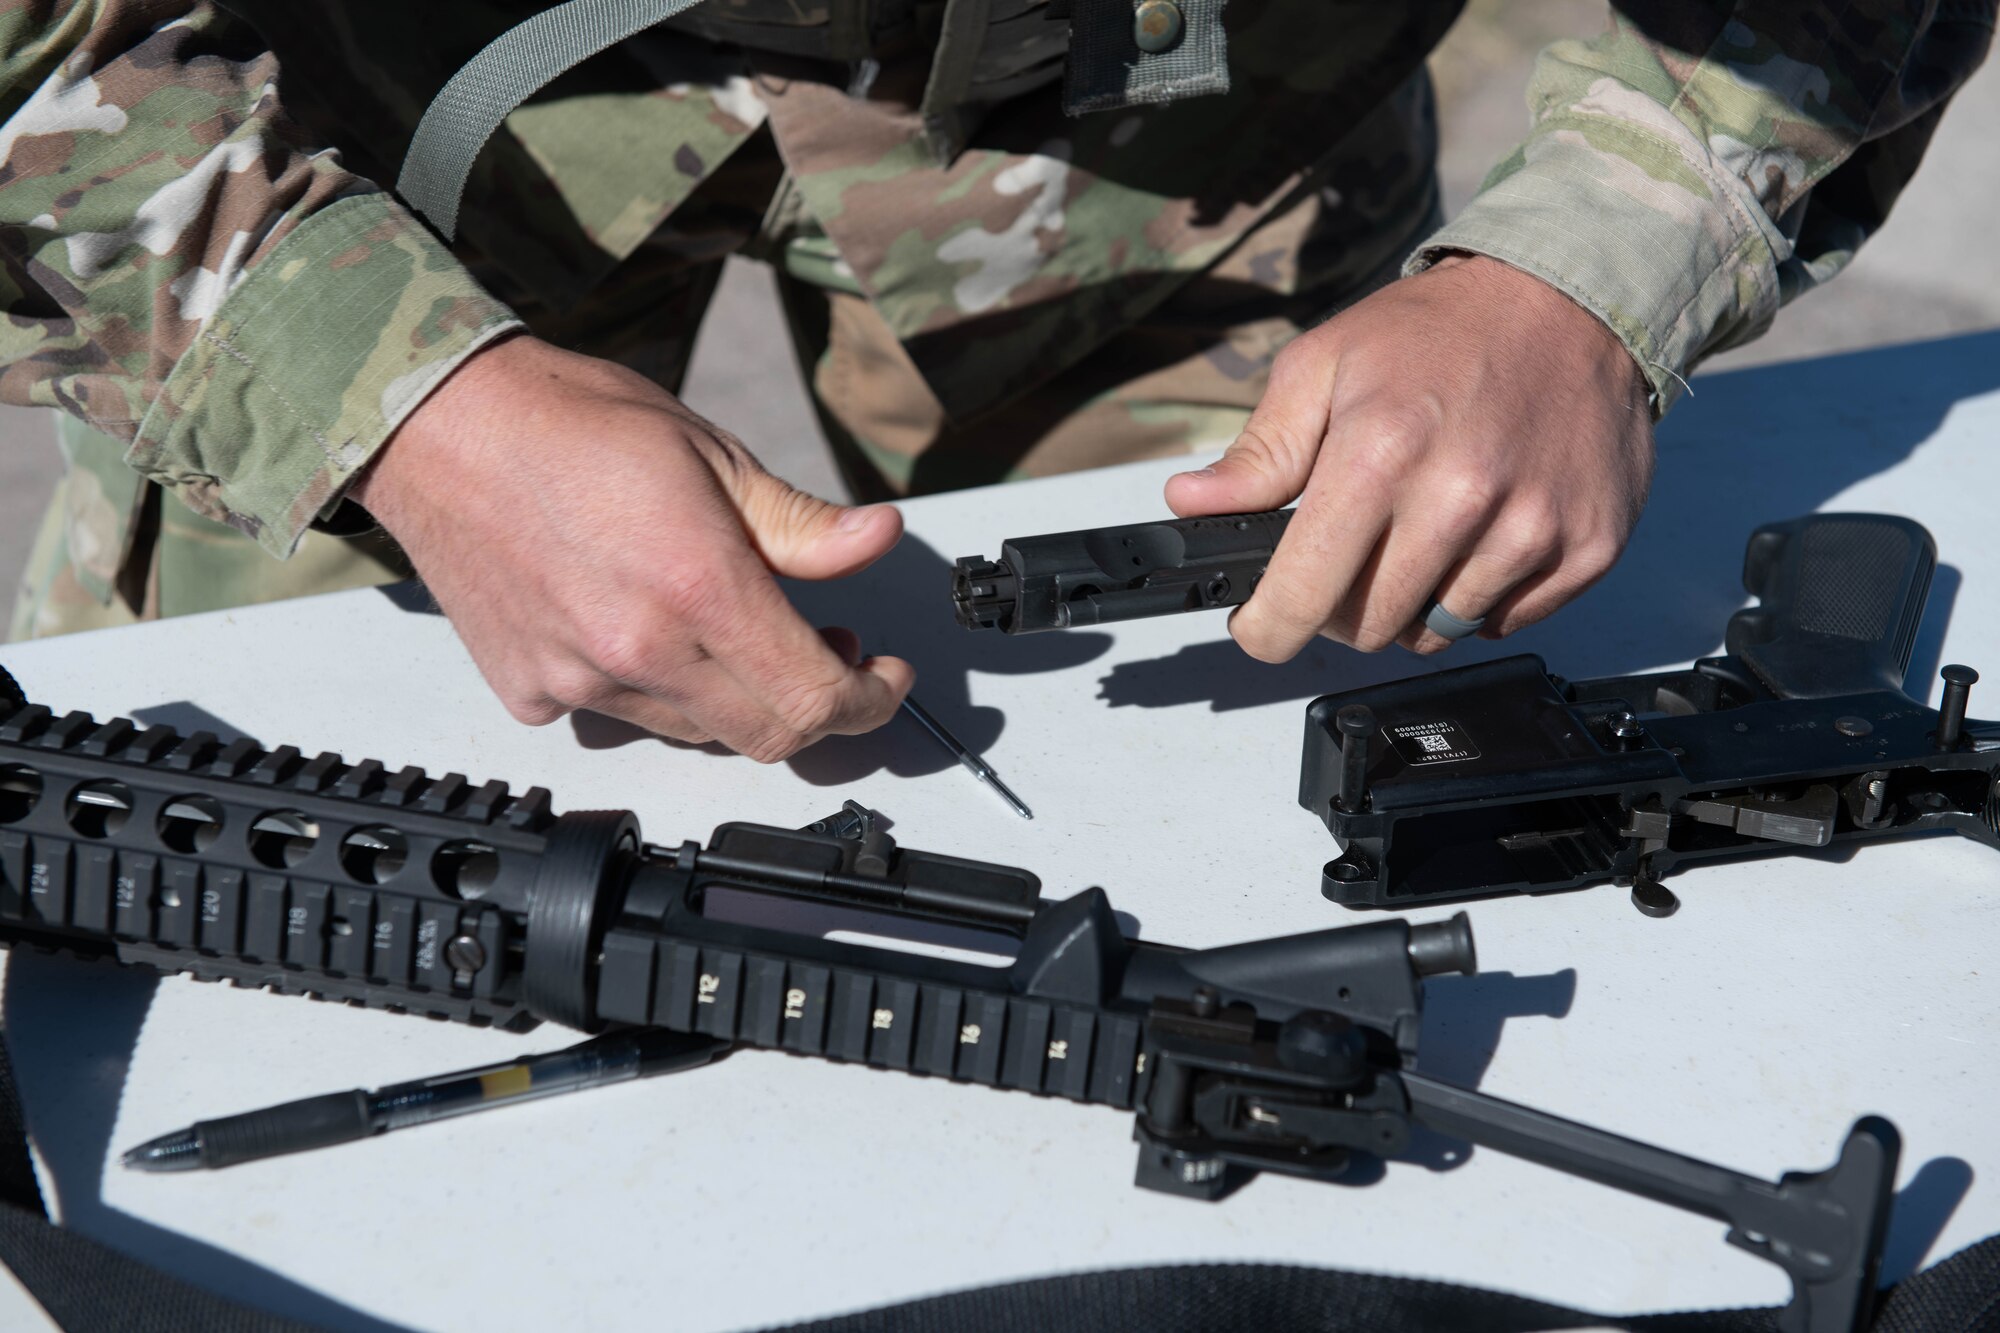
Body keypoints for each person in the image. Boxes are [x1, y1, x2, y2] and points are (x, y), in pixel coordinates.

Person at [0, 0, 1990, 761]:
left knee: (1275, 774)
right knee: (254, 846)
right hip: (372, 135)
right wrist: (389, 399)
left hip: (1201, 147)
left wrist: (1591, 262)